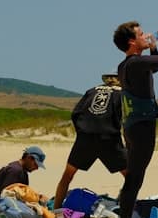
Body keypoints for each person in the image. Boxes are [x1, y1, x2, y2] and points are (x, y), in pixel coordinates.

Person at [113, 20, 158, 218]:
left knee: (134, 177)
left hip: (132, 127)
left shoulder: (126, 65)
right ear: (132, 41)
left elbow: (154, 69)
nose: (147, 36)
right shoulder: (136, 63)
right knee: (135, 178)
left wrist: (153, 47)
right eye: (142, 35)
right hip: (142, 128)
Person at [53, 74, 128, 210]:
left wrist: (81, 132)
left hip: (85, 137)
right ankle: (125, 207)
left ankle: (56, 209)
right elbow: (126, 116)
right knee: (131, 177)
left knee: (67, 175)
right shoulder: (122, 94)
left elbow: (75, 113)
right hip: (109, 137)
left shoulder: (91, 91)